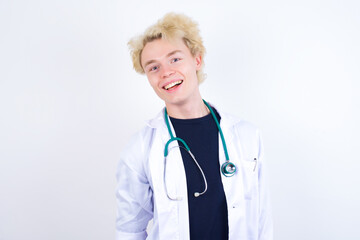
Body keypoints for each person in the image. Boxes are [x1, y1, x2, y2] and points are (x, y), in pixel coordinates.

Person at [116, 13, 273, 240]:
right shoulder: (140, 148)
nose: (166, 72)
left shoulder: (247, 135)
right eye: (153, 67)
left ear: (197, 60)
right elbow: (129, 230)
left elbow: (262, 219)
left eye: (175, 59)